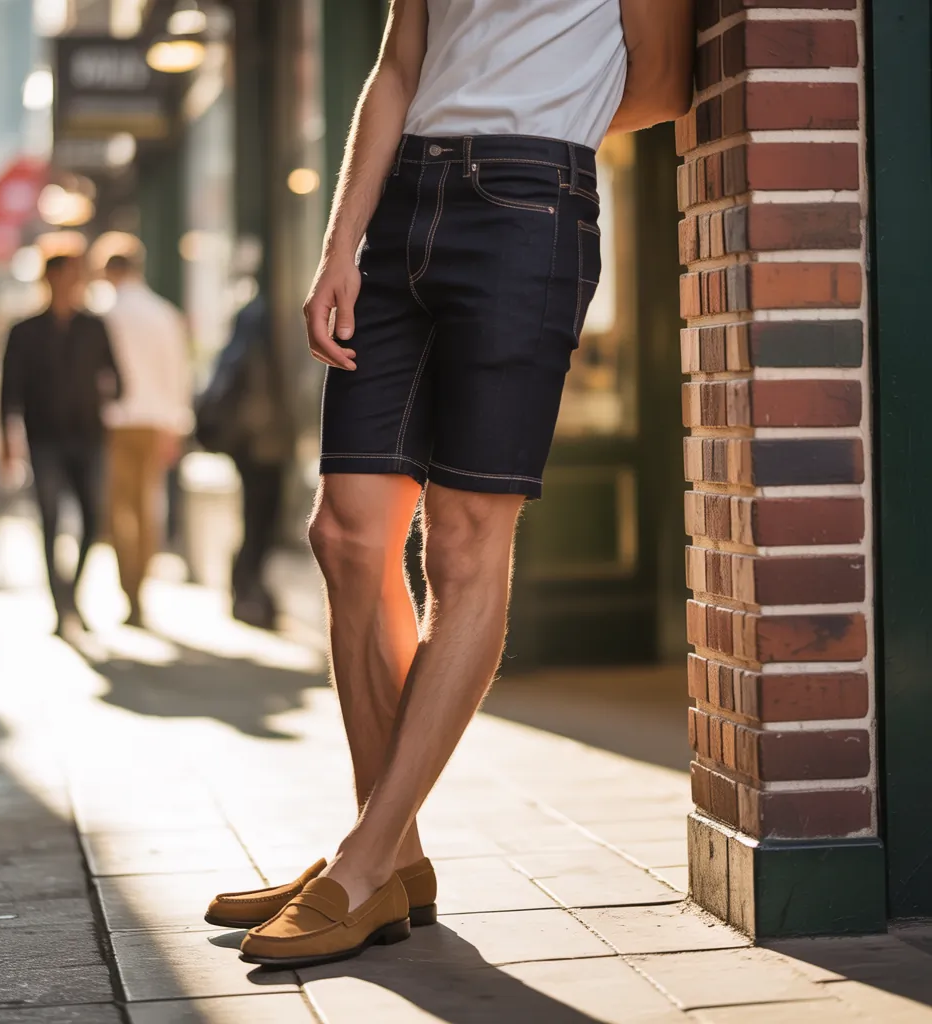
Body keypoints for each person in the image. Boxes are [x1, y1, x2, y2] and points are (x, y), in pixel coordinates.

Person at [209, 0, 694, 967]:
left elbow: (662, 82)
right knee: (346, 534)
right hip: (402, 203)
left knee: (465, 541)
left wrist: (537, 121)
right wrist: (338, 245)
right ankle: (391, 855)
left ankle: (361, 861)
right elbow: (399, 65)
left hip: (529, 205)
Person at [0, 254, 122, 636]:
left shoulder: (94, 327)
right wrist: (7, 442)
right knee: (50, 521)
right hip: (44, 439)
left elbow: (118, 381)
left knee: (93, 520)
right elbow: (8, 393)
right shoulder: (24, 331)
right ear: (49, 279)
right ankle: (60, 605)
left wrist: (98, 399)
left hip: (88, 437)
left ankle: (71, 594)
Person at [102, 253, 191, 628]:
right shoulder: (163, 314)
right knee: (145, 509)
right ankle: (138, 590)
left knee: (118, 512)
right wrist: (176, 426)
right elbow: (178, 373)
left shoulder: (104, 314)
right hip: (154, 423)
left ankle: (131, 590)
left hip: (114, 423)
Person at [195, 294, 292, 630]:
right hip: (261, 448)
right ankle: (246, 591)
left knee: (256, 521)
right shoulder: (256, 351)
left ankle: (245, 589)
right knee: (259, 522)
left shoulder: (239, 347)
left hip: (254, 449)